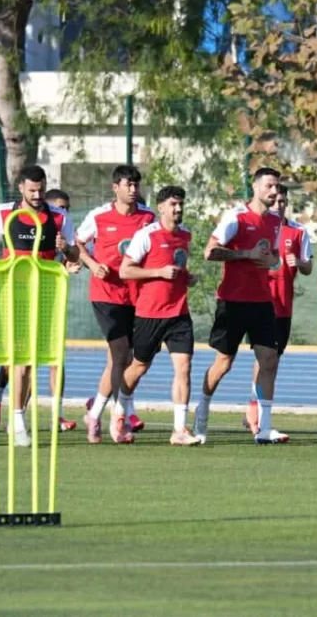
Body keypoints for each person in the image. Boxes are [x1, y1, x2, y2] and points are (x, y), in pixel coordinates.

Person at [0, 165, 79, 446]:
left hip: (45, 295)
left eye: (41, 190)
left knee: (36, 360)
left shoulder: (59, 217)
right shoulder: (4, 213)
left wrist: (65, 248)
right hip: (13, 295)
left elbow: (74, 254)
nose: (37, 195)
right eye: (32, 190)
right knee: (20, 360)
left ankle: (17, 418)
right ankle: (18, 421)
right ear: (21, 188)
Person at [193, 167, 289, 445]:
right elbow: (210, 252)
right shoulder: (236, 217)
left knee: (269, 360)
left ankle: (264, 427)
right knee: (224, 363)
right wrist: (246, 254)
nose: (274, 191)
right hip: (232, 301)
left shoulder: (276, 221)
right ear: (255, 187)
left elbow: (273, 257)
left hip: (262, 301)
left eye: (277, 187)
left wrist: (273, 261)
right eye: (269, 186)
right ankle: (202, 409)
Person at [77, 165, 156, 444]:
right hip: (106, 294)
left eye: (136, 185)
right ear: (115, 187)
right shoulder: (98, 216)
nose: (133, 190)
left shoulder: (148, 217)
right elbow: (78, 243)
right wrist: (92, 264)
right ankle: (117, 418)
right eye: (127, 185)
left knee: (126, 360)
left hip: (137, 296)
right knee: (121, 354)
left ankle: (95, 413)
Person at [119, 186, 201, 446]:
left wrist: (188, 277)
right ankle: (119, 411)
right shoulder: (146, 235)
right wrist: (159, 272)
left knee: (184, 367)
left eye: (181, 204)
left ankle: (179, 430)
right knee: (139, 366)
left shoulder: (185, 234)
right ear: (161, 207)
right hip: (150, 314)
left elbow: (178, 267)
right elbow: (125, 271)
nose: (178, 209)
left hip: (179, 313)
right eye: (173, 204)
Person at [246, 184, 313, 432]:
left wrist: (301, 262)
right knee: (265, 358)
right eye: (274, 201)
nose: (278, 205)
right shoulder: (259, 227)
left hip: (284, 307)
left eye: (283, 201)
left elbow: (308, 268)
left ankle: (255, 410)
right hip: (260, 304)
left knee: (271, 360)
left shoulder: (297, 231)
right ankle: (256, 413)